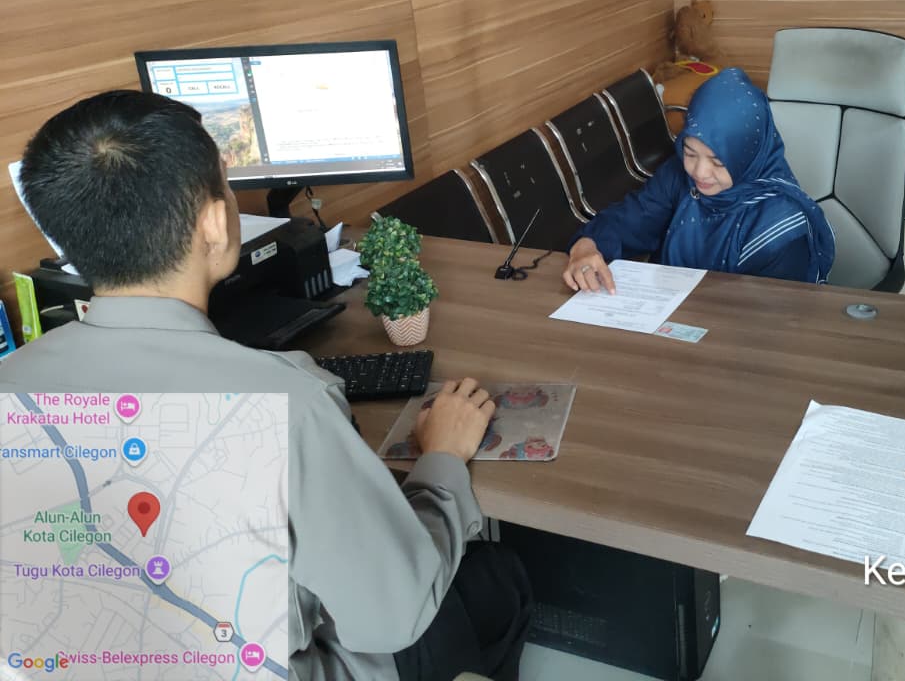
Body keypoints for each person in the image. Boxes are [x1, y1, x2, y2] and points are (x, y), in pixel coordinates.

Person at [0, 91, 530, 681]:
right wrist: (442, 461)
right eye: (226, 187)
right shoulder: (287, 405)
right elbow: (392, 615)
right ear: (212, 222)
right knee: (496, 580)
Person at [563, 67, 835, 293]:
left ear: (747, 156)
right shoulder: (678, 175)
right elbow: (631, 220)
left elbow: (775, 320)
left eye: (718, 162)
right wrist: (586, 246)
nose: (700, 172)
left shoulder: (781, 228)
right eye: (690, 153)